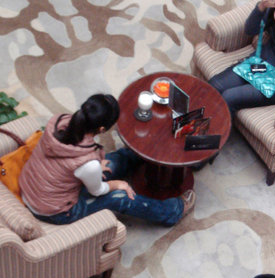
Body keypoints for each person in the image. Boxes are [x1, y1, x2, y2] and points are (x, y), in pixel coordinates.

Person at [19, 94, 195, 226]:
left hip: (35, 186)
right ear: (102, 129)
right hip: (55, 210)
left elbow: (78, 165)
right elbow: (98, 191)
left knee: (112, 163)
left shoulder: (58, 121)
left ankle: (145, 153)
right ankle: (173, 211)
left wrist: (94, 167)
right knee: (120, 197)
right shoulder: (88, 163)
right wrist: (118, 184)